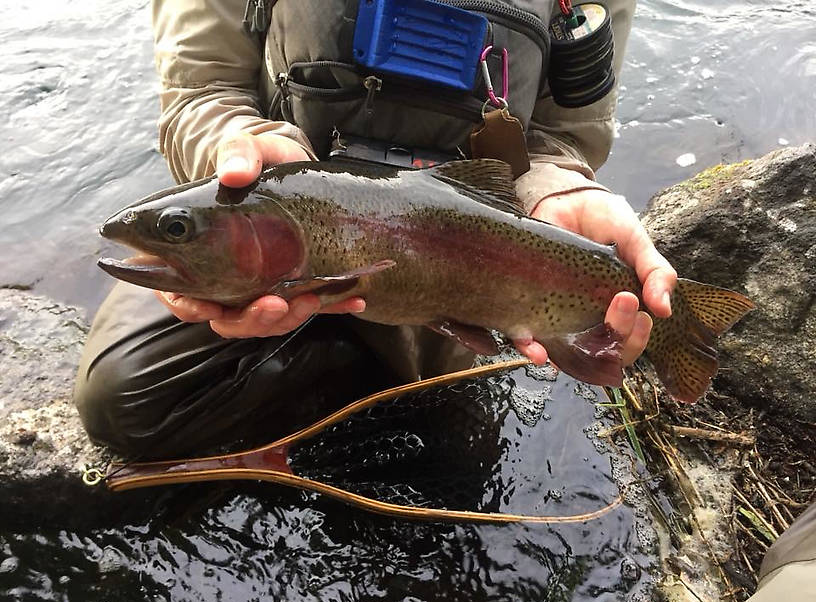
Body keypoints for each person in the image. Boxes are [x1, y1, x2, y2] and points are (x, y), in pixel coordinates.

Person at [74, 0, 676, 459]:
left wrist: (559, 189)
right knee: (122, 398)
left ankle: (374, 366)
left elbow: (564, 136)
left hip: (466, 257)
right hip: (280, 206)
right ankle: (336, 355)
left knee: (453, 442)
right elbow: (201, 89)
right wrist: (236, 143)